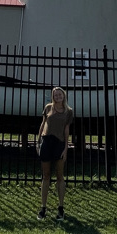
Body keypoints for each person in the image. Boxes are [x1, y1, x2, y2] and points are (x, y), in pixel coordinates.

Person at [36, 86, 73, 221]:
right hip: (47, 142)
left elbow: (66, 130)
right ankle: (43, 208)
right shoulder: (48, 108)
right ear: (53, 96)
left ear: (64, 96)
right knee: (46, 176)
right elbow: (43, 123)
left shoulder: (68, 111)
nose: (58, 97)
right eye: (55, 95)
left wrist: (65, 148)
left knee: (59, 176)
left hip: (59, 143)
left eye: (60, 94)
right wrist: (38, 140)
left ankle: (61, 208)